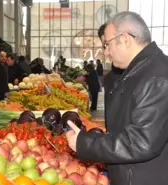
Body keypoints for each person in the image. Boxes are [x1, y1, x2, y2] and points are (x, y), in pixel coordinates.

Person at [66, 11, 168, 185]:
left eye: (107, 44)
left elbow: (141, 141)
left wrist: (85, 144)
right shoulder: (138, 70)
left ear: (126, 39)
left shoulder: (156, 77)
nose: (105, 52)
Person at [98, 23, 124, 123]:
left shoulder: (150, 76)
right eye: (105, 46)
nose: (106, 52)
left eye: (108, 44)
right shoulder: (110, 79)